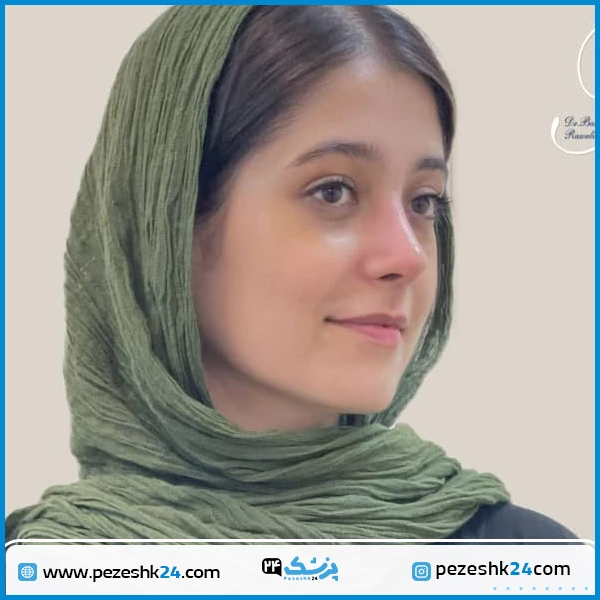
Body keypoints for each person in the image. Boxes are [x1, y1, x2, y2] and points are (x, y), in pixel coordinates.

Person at [6, 5, 575, 541]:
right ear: (167, 225)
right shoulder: (40, 565)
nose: (408, 257)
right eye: (333, 191)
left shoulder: (524, 563)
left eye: (423, 202)